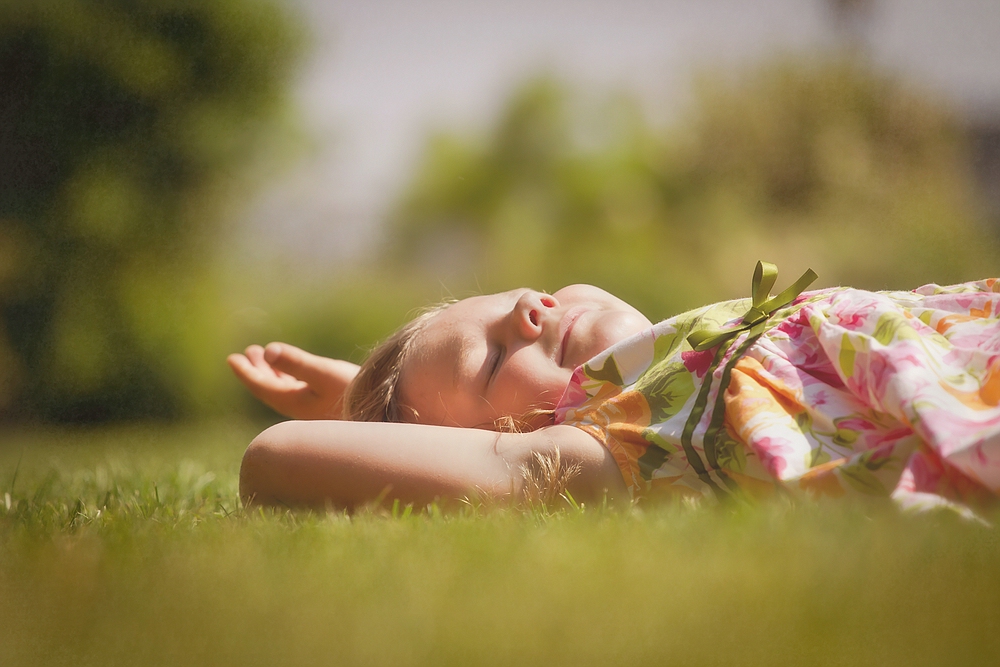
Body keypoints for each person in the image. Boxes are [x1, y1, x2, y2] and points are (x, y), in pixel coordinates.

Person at [229, 264, 1000, 516]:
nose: (531, 309)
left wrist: (355, 397)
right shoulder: (621, 435)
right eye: (497, 358)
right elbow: (276, 456)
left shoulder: (677, 358)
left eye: (511, 299)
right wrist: (355, 419)